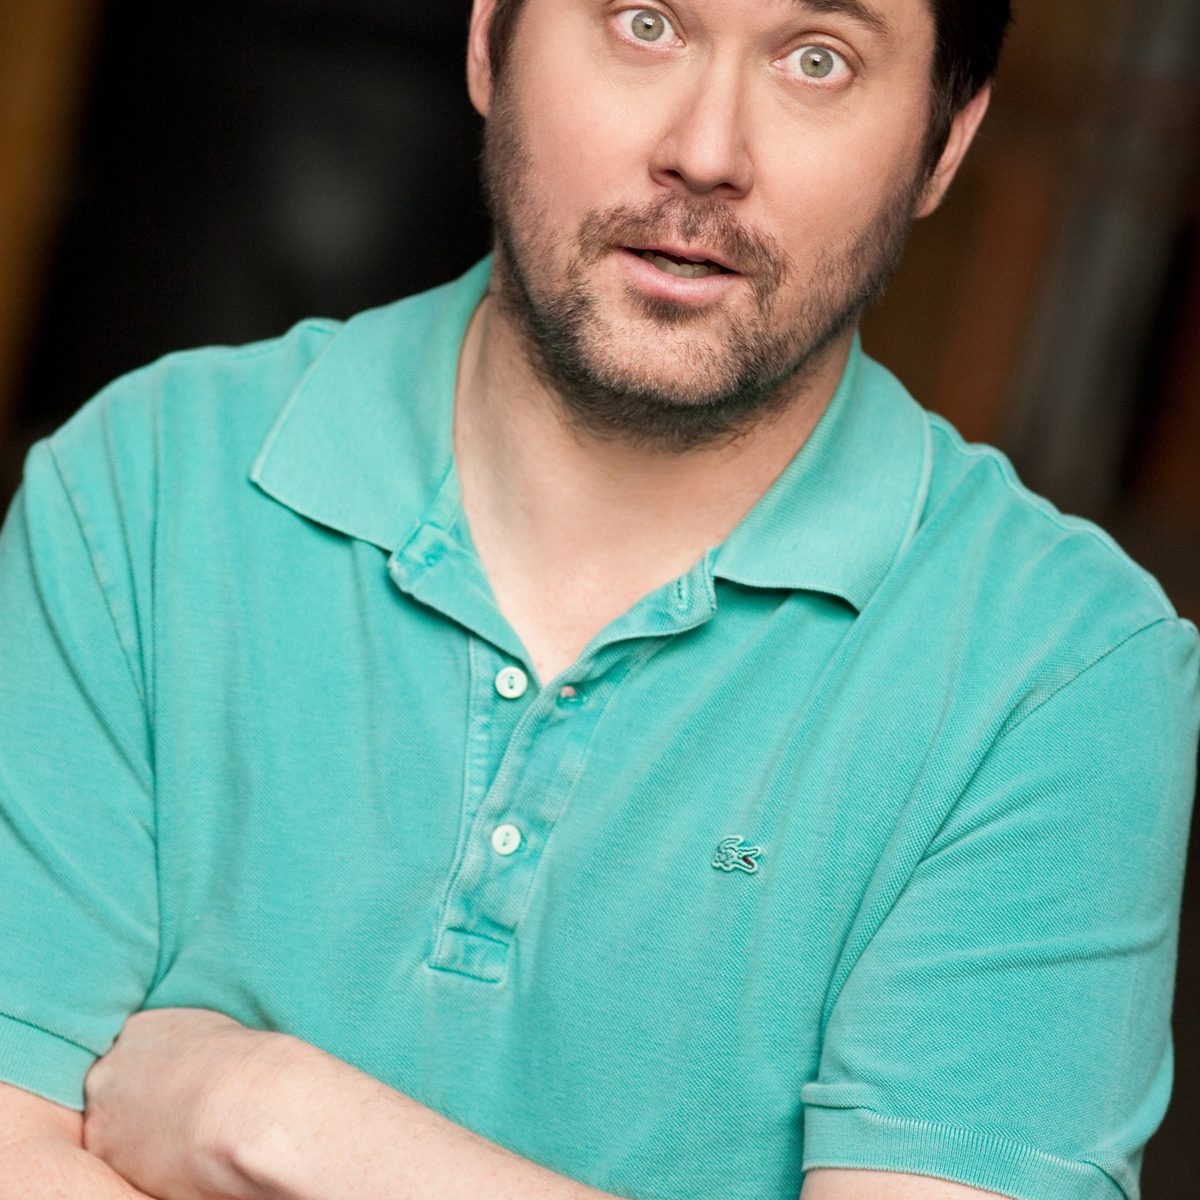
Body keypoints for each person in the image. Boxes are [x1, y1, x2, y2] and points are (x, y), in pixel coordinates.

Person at [0, 0, 1196, 1197]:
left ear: (943, 144)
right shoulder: (145, 487)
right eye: (644, 23)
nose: (707, 152)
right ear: (490, 40)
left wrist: (282, 1122)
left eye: (818, 61)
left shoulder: (1059, 672)